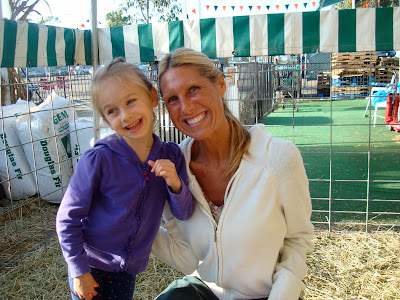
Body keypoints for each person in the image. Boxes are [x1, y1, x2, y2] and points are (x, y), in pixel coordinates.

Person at [151, 48, 314, 300]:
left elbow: (298, 239)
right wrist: (132, 226)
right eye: (172, 99)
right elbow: (185, 256)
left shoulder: (278, 158)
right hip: (204, 290)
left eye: (193, 89)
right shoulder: (174, 166)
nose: (185, 107)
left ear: (219, 84)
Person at [56, 58, 194, 300]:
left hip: (128, 268)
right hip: (91, 264)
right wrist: (78, 271)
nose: (126, 115)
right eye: (112, 111)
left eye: (131, 101)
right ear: (105, 120)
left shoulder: (171, 156)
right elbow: (67, 219)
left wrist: (175, 183)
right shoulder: (98, 160)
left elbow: (183, 213)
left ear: (152, 97)